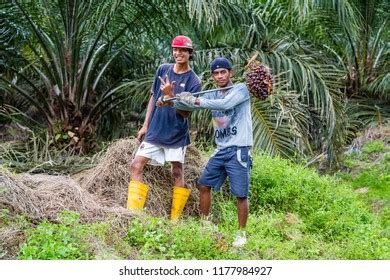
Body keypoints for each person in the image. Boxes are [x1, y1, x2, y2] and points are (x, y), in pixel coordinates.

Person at [159, 57, 253, 247]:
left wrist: (196, 99)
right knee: (204, 184)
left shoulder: (240, 89)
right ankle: (205, 224)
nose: (219, 76)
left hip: (239, 150)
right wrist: (171, 99)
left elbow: (225, 105)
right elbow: (190, 105)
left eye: (223, 72)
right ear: (212, 76)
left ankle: (241, 234)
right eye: (216, 74)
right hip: (221, 150)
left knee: (240, 194)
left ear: (230, 73)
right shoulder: (211, 95)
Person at [127, 35, 202, 221]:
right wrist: (145, 125)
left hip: (176, 134)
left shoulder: (194, 81)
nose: (178, 53)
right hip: (155, 130)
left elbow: (186, 114)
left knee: (177, 171)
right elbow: (154, 97)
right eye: (175, 49)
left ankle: (174, 221)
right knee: (136, 164)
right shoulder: (163, 69)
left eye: (183, 50)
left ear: (189, 53)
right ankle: (133, 216)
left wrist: (171, 96)